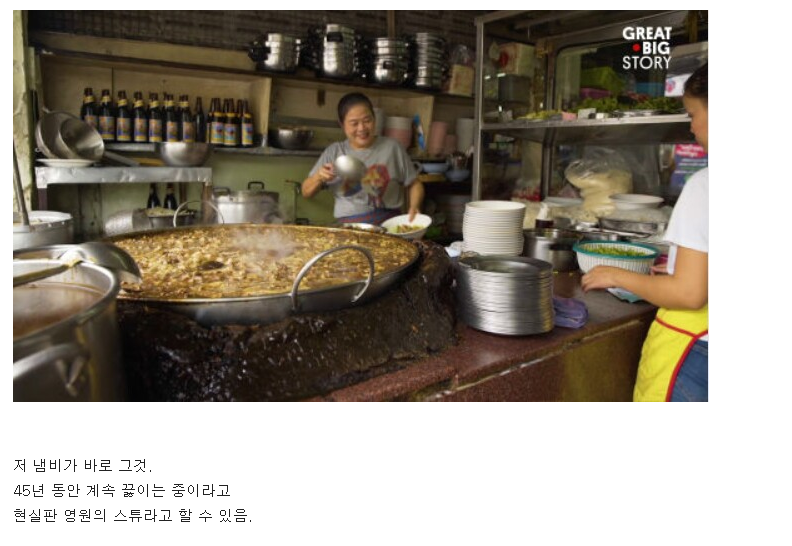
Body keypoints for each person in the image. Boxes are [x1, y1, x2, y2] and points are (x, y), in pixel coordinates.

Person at [581, 63, 709, 402]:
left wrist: (619, 276)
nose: (692, 127)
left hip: (698, 356)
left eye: (692, 114)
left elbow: (689, 294)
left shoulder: (705, 187)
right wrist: (681, 265)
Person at [301, 92, 424, 225]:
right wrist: (319, 176)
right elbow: (306, 192)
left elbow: (414, 184)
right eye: (354, 123)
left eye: (367, 121)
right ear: (342, 125)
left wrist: (414, 206)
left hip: (390, 225)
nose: (362, 128)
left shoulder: (392, 147)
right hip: (349, 228)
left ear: (374, 119)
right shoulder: (335, 151)